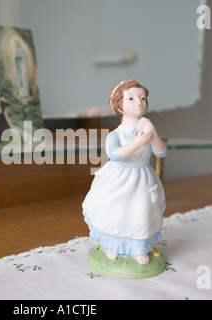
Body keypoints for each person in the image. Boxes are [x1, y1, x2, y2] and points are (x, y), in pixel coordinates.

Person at [82, 80, 168, 265]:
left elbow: (161, 152)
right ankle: (112, 246)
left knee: (140, 213)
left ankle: (138, 248)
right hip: (121, 179)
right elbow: (114, 154)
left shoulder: (147, 130)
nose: (139, 102)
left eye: (142, 98)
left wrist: (153, 132)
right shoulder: (116, 134)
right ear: (119, 105)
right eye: (131, 98)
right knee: (117, 212)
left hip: (143, 178)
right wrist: (137, 143)